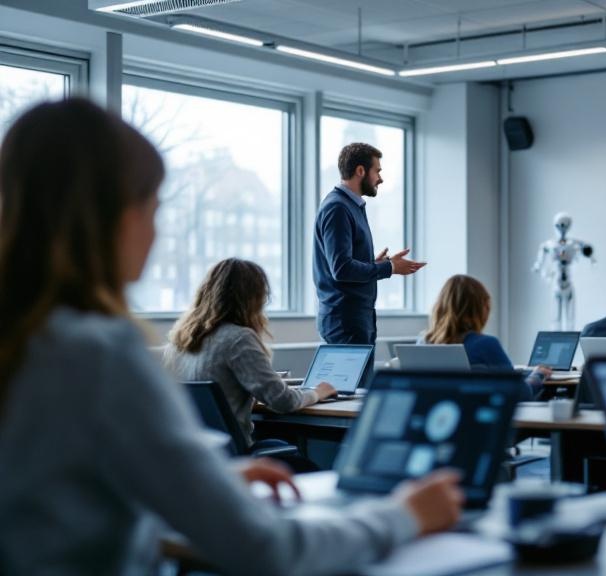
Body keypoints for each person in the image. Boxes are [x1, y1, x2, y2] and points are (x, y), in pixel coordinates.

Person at [0, 99, 462, 575]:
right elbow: (267, 549)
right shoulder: (97, 354)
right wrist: (402, 515)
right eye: (152, 209)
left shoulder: (27, 343)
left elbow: (65, 495)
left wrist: (203, 482)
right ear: (108, 218)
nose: (156, 234)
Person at [164, 258, 337, 450]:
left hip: (197, 452)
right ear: (253, 298)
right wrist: (317, 393)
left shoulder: (178, 341)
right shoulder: (238, 338)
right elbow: (283, 402)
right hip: (234, 453)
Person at [314, 142, 425, 353]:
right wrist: (390, 267)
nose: (380, 179)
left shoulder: (349, 206)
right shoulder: (338, 208)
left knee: (358, 385)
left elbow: (342, 264)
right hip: (346, 320)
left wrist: (373, 264)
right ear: (360, 171)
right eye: (378, 171)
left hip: (354, 318)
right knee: (352, 387)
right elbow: (342, 269)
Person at [421, 275, 548, 400]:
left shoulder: (423, 343)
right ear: (481, 309)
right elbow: (521, 393)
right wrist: (538, 374)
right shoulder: (485, 345)